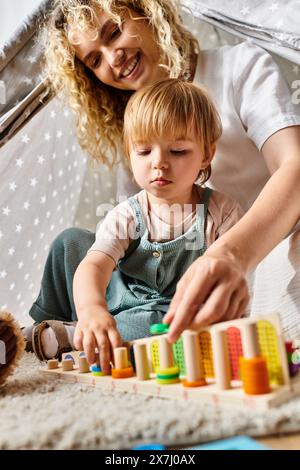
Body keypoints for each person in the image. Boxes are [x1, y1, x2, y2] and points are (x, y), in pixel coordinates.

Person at [24, 0, 300, 359]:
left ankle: (82, 335)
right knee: (73, 244)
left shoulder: (239, 67)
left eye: (114, 31)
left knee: (160, 314)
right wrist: (95, 300)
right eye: (94, 60)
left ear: (146, 10)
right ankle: (45, 332)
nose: (112, 58)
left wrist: (230, 255)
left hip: (244, 257)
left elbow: (294, 165)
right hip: (150, 283)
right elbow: (131, 243)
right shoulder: (133, 124)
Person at [75, 78, 245, 370]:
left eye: (177, 151)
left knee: (159, 327)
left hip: (173, 314)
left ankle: (76, 335)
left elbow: (232, 285)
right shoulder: (127, 214)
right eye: (143, 152)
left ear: (206, 155)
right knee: (68, 244)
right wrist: (91, 309)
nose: (159, 163)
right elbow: (94, 265)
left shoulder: (223, 213)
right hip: (119, 303)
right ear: (130, 154)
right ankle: (72, 326)